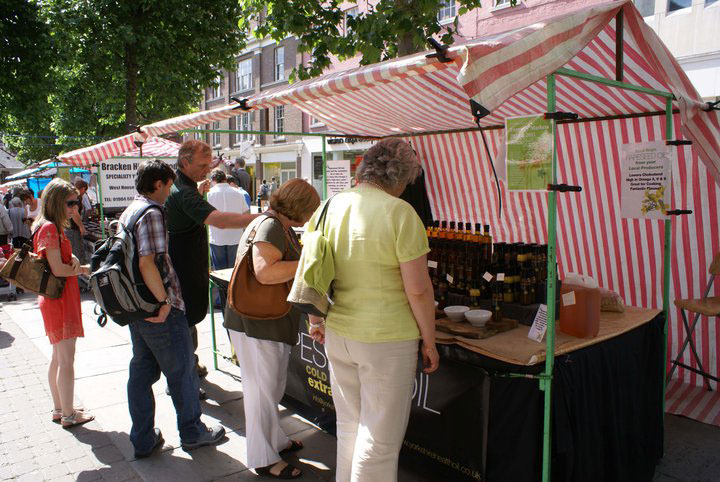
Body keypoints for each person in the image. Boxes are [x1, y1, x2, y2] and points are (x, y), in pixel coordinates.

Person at [306, 138, 439, 482]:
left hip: (339, 330)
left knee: (350, 426)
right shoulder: (399, 212)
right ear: (403, 176)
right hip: (386, 339)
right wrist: (430, 340)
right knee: (379, 442)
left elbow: (311, 269)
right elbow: (419, 289)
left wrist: (315, 318)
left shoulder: (329, 205)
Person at [120, 160, 225, 458]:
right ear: (157, 184)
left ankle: (142, 438)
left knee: (141, 372)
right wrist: (165, 302)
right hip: (159, 310)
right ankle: (192, 432)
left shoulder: (130, 210)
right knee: (182, 373)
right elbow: (146, 261)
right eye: (168, 185)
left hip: (137, 308)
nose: (171, 191)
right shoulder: (152, 212)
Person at [224, 178, 320, 479]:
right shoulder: (270, 227)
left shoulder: (273, 224)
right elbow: (266, 273)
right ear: (300, 208)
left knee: (270, 387)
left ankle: (274, 440)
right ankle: (264, 457)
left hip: (264, 321)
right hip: (258, 323)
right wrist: (309, 259)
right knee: (261, 392)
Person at [165, 140, 257, 381]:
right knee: (184, 324)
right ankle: (184, 378)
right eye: (203, 165)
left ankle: (189, 365)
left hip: (184, 265)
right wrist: (263, 216)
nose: (207, 169)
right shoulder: (184, 192)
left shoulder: (180, 185)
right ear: (185, 162)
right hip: (184, 269)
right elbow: (220, 220)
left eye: (210, 164)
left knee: (186, 322)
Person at [32, 178, 94, 428]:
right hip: (60, 300)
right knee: (66, 359)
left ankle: (61, 408)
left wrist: (75, 261)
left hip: (55, 299)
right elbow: (58, 269)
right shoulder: (50, 228)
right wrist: (84, 269)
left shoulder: (47, 226)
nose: (75, 208)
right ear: (57, 202)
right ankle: (69, 414)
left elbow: (58, 262)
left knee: (58, 357)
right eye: (70, 203)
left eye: (76, 203)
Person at [207, 169, 248, 271]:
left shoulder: (208, 194)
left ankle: (221, 287)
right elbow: (246, 213)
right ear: (225, 179)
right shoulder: (239, 193)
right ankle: (231, 287)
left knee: (219, 271)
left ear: (213, 180)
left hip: (216, 236)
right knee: (233, 270)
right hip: (235, 236)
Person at [65, 179, 89, 264]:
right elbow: (75, 213)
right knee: (77, 255)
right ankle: (80, 275)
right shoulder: (76, 197)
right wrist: (81, 227)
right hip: (72, 230)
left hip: (69, 229)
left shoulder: (71, 196)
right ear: (82, 188)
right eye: (85, 190)